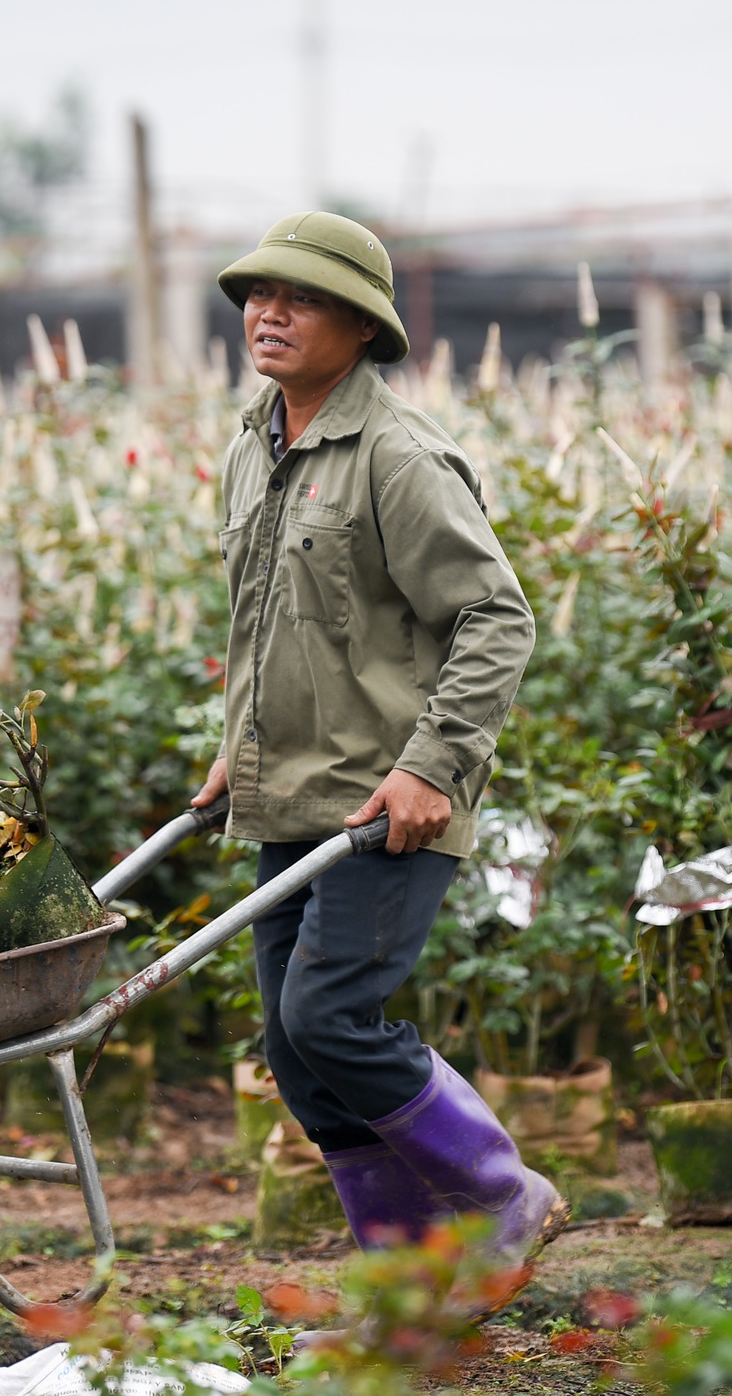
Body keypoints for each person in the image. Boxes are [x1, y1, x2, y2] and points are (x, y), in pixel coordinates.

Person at [191, 211, 564, 1269]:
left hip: (388, 804)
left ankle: (501, 1195)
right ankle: (406, 1278)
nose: (268, 311)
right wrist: (237, 747)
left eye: (299, 297)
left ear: (360, 326)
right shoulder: (252, 446)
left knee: (332, 1016)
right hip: (288, 791)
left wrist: (429, 765)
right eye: (259, 293)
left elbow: (496, 618)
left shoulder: (395, 455)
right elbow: (270, 622)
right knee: (294, 1049)